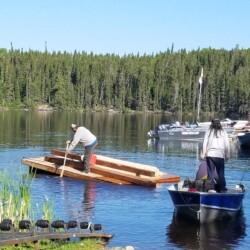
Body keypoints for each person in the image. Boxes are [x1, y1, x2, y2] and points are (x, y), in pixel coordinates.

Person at [201, 118, 230, 193]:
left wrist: (204, 153)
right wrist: (227, 155)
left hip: (210, 155)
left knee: (210, 173)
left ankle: (211, 188)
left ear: (212, 123)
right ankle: (222, 189)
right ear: (219, 123)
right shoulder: (223, 132)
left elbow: (204, 143)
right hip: (220, 155)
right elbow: (227, 144)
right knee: (221, 174)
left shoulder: (209, 131)